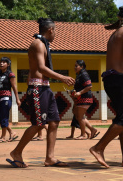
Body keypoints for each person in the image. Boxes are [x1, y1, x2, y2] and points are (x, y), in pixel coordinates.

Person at [6, 18, 75, 168]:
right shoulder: (37, 44)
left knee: (54, 121)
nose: (55, 34)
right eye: (55, 31)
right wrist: (62, 77)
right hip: (37, 88)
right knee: (38, 124)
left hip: (45, 88)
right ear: (50, 30)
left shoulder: (43, 44)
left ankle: (50, 158)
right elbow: (42, 68)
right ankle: (16, 152)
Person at [90, 6, 123, 168]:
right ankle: (98, 148)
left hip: (111, 79)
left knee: (122, 118)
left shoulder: (116, 33)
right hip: (119, 80)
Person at [68, 60, 99, 140]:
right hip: (81, 98)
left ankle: (83, 135)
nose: (75, 67)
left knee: (80, 117)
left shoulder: (84, 74)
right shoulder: (79, 75)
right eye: (74, 66)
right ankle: (92, 129)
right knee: (79, 116)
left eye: (76, 66)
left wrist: (80, 93)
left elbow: (89, 86)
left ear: (82, 67)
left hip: (85, 98)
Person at [0, 57, 21, 143]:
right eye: (1, 62)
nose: (1, 63)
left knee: (4, 116)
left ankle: (3, 137)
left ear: (8, 65)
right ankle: (12, 132)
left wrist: (17, 99)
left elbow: (14, 87)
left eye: (4, 62)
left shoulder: (10, 74)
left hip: (6, 97)